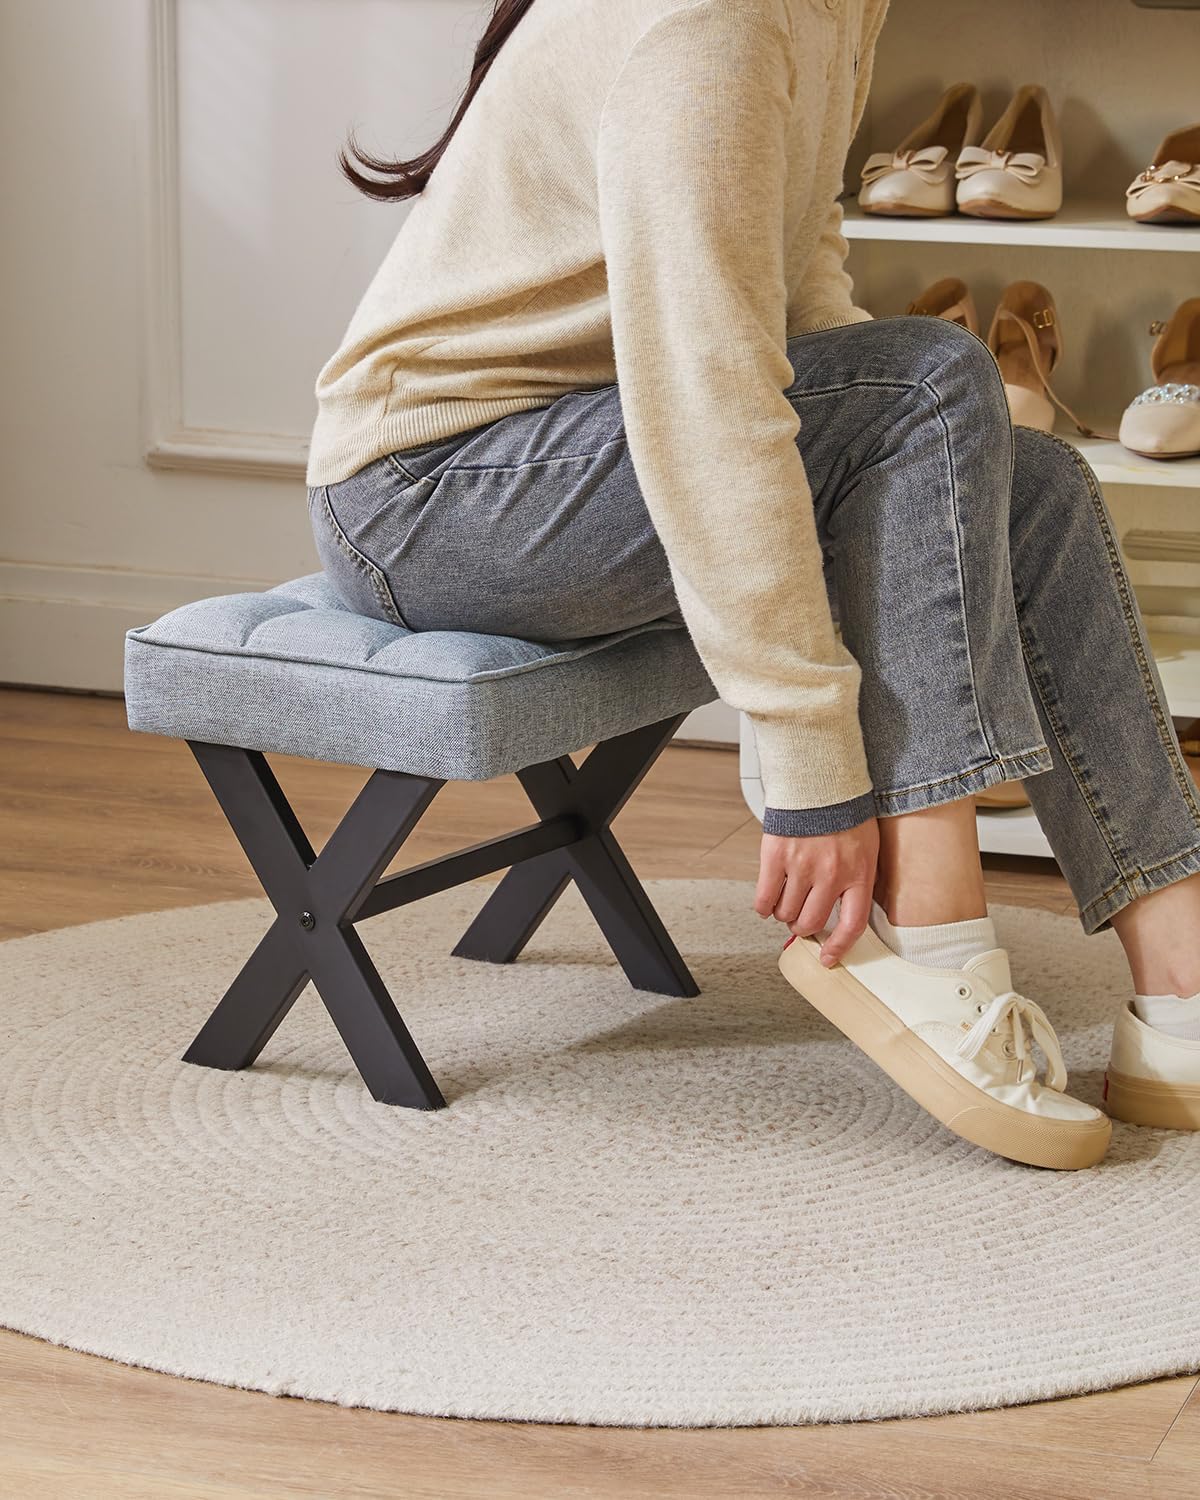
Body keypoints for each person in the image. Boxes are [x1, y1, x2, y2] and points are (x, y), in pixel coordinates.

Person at [303, 0, 1200, 1168]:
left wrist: (916, 459)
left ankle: (1180, 972)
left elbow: (798, 265)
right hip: (432, 498)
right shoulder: (707, 26)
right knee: (932, 381)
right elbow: (709, 397)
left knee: (1026, 475)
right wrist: (814, 775)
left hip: (586, 450)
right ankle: (928, 931)